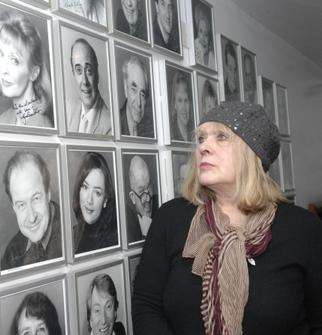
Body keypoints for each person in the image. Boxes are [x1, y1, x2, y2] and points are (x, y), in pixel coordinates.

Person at [132, 101, 322, 334]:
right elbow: (146, 306)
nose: (204, 147)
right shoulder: (170, 218)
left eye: (221, 136)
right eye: (201, 139)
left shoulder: (303, 228)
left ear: (254, 153)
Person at [1, 152, 62, 270]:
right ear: (14, 207)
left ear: (48, 194)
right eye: (21, 205)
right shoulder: (11, 253)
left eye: (36, 198)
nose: (31, 217)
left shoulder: (74, 234)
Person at [0, 11, 53, 128]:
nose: (3, 70)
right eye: (0, 53)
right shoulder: (1, 121)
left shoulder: (43, 127)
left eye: (14, 60)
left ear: (34, 73)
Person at [72, 152, 117, 254]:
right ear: (78, 189)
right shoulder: (73, 234)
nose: (89, 200)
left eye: (97, 192)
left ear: (105, 200)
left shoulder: (113, 240)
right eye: (85, 187)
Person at [67, 39, 111, 135]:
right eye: (79, 70)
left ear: (97, 74)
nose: (85, 81)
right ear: (73, 74)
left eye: (89, 70)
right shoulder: (68, 110)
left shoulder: (110, 125)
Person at [119, 56, 153, 138]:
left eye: (142, 94)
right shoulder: (115, 124)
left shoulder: (150, 129)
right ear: (125, 88)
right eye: (134, 90)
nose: (139, 103)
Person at [126, 156, 157, 243]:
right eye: (142, 191)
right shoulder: (127, 224)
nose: (147, 198)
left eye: (149, 188)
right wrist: (145, 235)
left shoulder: (160, 207)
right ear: (132, 197)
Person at [169, 71, 193, 142]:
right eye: (179, 100)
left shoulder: (194, 134)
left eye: (186, 100)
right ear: (174, 104)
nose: (184, 107)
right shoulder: (171, 135)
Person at [193, 2, 214, 68]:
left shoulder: (211, 54)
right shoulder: (194, 46)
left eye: (206, 34)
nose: (202, 37)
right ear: (197, 30)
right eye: (200, 31)